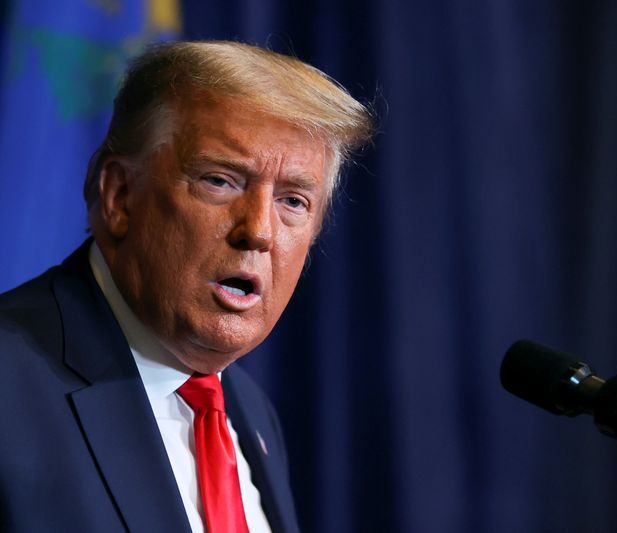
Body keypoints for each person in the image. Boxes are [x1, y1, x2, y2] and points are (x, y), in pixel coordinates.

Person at [0, 40, 372, 533]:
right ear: (120, 196)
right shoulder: (11, 384)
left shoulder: (251, 413)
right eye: (220, 180)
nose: (259, 230)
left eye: (294, 201)